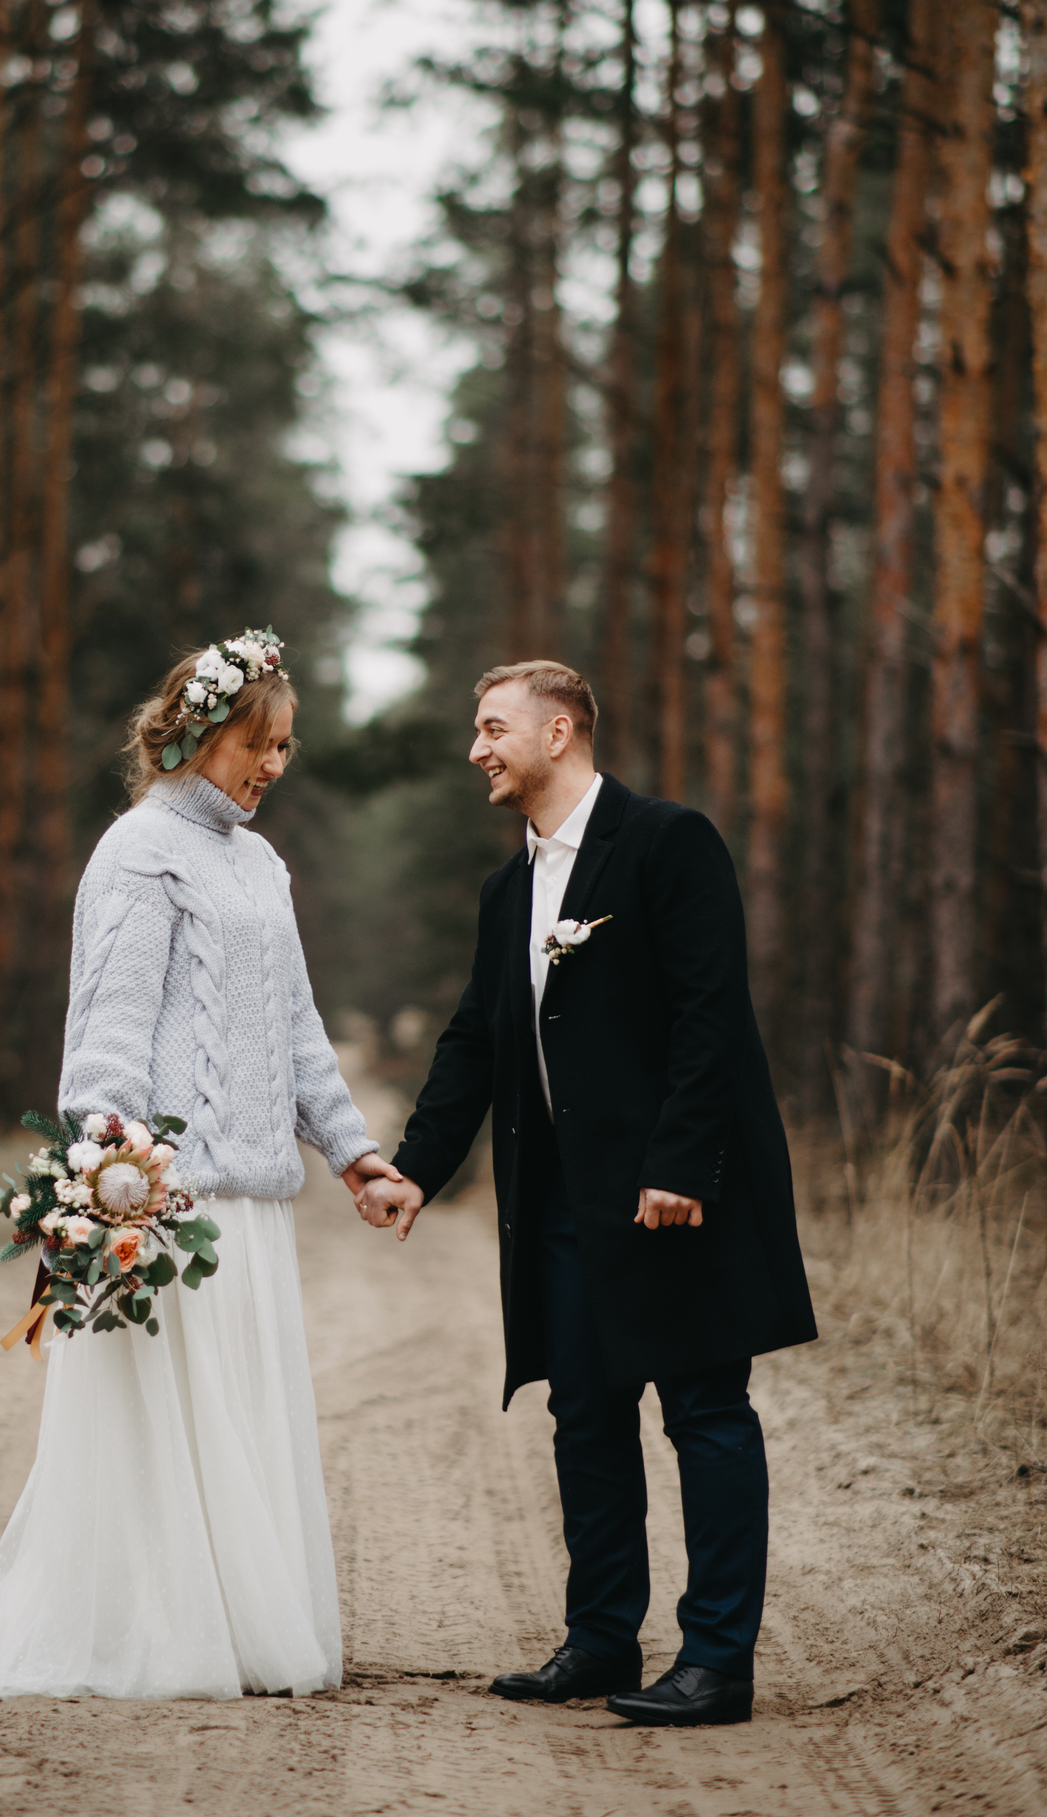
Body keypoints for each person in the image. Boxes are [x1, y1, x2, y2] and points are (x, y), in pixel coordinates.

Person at [0, 629, 396, 1702]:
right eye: (259, 744)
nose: (275, 766)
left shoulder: (258, 861)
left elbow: (295, 1028)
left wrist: (353, 1150)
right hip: (170, 1207)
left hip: (256, 1207)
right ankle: (157, 1633)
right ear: (198, 733)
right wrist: (108, 1197)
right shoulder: (136, 852)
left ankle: (240, 1623)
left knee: (239, 1422)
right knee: (167, 1429)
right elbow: (107, 1036)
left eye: (287, 747)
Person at [355, 659, 816, 1728]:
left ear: (559, 732)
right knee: (586, 1417)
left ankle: (715, 1663)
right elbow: (476, 1038)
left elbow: (710, 1016)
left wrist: (678, 1165)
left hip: (673, 1191)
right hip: (557, 1200)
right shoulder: (506, 888)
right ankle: (602, 1639)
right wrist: (416, 1167)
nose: (476, 749)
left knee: (704, 1412)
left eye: (492, 727)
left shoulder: (666, 843)